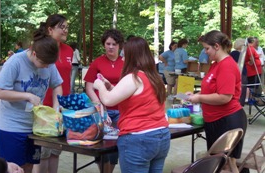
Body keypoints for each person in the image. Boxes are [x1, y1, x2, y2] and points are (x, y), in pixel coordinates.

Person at [93, 37, 170, 173]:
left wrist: (99, 86)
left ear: (131, 56)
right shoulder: (154, 77)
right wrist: (110, 86)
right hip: (161, 136)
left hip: (138, 139)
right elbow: (133, 96)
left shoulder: (132, 77)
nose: (122, 58)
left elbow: (108, 100)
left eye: (124, 54)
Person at [0, 27, 63, 173]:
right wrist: (26, 95)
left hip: (36, 128)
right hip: (12, 126)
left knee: (29, 167)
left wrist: (56, 108)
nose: (46, 67)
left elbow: (57, 85)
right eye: (44, 63)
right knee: (13, 169)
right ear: (34, 54)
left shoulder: (49, 63)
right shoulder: (15, 63)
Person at [186, 30, 247, 172]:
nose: (205, 52)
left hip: (227, 120)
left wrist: (199, 98)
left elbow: (225, 97)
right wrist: (197, 94)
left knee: (226, 164)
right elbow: (211, 89)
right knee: (222, 163)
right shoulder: (216, 64)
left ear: (217, 46)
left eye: (207, 48)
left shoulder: (226, 65)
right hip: (215, 120)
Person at [32, 14, 73, 173]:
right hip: (43, 107)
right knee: (42, 152)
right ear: (50, 29)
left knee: (56, 150)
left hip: (62, 107)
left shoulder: (69, 50)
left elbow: (67, 79)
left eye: (67, 27)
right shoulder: (39, 48)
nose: (65, 30)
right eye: (62, 27)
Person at [84, 28, 124, 173]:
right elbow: (89, 88)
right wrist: (100, 107)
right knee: (100, 145)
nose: (111, 47)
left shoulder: (125, 63)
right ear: (104, 45)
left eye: (114, 44)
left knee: (114, 146)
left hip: (120, 110)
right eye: (108, 43)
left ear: (120, 45)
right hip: (100, 110)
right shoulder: (97, 62)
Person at [230, 38, 248, 106]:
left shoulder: (239, 53)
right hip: (240, 73)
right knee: (241, 89)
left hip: (242, 73)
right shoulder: (235, 53)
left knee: (242, 89)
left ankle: (240, 103)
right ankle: (239, 104)